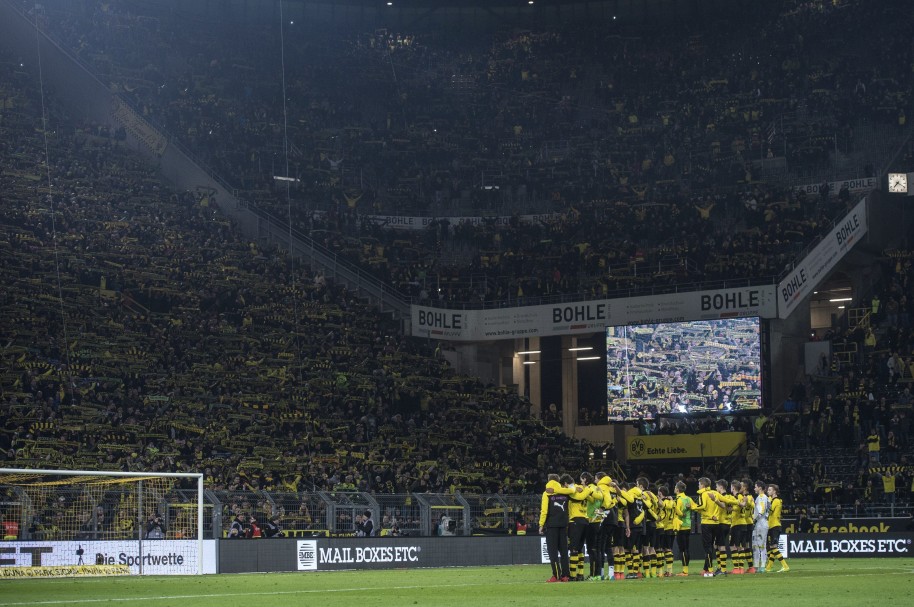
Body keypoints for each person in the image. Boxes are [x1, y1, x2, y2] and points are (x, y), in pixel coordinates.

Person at [539, 473, 576, 583]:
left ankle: (556, 575)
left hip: (551, 525)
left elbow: (544, 510)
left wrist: (541, 524)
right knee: (564, 551)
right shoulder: (564, 492)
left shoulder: (547, 493)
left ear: (549, 480)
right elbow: (573, 490)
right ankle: (565, 576)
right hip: (564, 524)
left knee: (553, 552)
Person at [692, 476, 723, 576]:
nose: (698, 486)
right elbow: (725, 502)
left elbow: (702, 507)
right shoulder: (715, 493)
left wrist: (693, 506)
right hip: (716, 523)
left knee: (707, 547)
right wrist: (738, 503)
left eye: (699, 484)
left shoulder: (703, 494)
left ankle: (710, 570)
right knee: (711, 547)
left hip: (707, 523)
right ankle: (706, 568)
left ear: (703, 485)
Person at [765, 484, 789, 573]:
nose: (768, 491)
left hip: (775, 526)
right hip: (771, 526)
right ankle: (768, 568)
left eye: (770, 490)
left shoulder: (776, 501)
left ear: (774, 491)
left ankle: (785, 566)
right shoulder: (772, 500)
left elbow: (769, 511)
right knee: (772, 547)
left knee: (774, 547)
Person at [673, 481, 693, 576]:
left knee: (682, 549)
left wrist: (673, 505)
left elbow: (677, 512)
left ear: (677, 489)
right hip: (688, 525)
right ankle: (686, 569)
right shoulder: (688, 499)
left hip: (680, 526)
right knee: (687, 548)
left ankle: (685, 571)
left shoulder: (678, 499)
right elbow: (695, 506)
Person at [751, 480, 770, 573]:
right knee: (757, 545)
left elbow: (761, 510)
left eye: (755, 487)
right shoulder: (760, 497)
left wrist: (754, 519)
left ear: (760, 488)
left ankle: (762, 566)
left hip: (761, 523)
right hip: (760, 523)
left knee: (761, 545)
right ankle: (757, 566)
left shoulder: (762, 497)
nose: (754, 488)